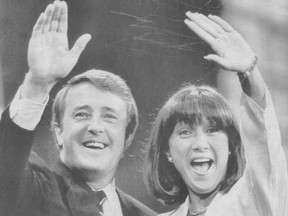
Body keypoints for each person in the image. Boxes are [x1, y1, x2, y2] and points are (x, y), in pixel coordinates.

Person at [0, 1, 156, 216]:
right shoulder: (33, 187)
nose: (95, 127)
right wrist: (38, 84)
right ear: (58, 131)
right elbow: (6, 165)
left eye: (109, 117)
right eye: (81, 114)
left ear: (127, 137)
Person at [145, 12, 288, 216]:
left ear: (231, 146)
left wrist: (249, 73)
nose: (200, 144)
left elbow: (264, 148)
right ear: (167, 151)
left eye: (212, 130)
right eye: (185, 132)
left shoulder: (255, 202)